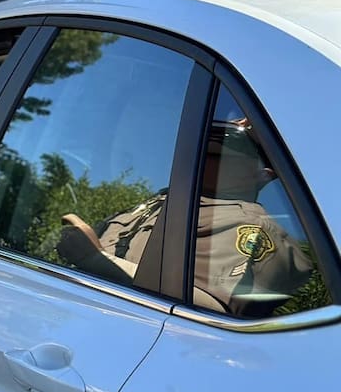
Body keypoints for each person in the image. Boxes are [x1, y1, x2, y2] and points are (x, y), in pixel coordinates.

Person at [56, 117, 314, 317]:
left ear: (263, 175)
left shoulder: (252, 227)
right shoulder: (166, 202)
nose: (237, 124)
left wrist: (95, 260)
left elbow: (210, 314)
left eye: (222, 152)